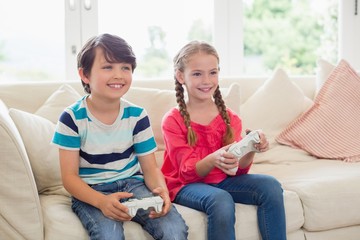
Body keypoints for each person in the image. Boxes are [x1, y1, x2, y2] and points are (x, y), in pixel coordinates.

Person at [52, 33, 188, 240]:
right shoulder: (72, 118)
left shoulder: (137, 116)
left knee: (173, 230)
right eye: (108, 67)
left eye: (125, 67)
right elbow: (69, 178)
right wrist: (100, 201)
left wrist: (162, 192)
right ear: (85, 75)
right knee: (109, 236)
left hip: (133, 184)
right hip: (92, 190)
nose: (119, 75)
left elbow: (150, 168)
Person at [161, 40, 287, 240]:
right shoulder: (172, 120)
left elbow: (238, 170)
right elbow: (187, 173)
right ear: (180, 76)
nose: (207, 80)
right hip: (183, 186)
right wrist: (213, 159)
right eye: (197, 73)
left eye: (213, 72)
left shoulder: (230, 118)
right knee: (220, 200)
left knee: (271, 186)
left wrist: (251, 148)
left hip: (223, 180)